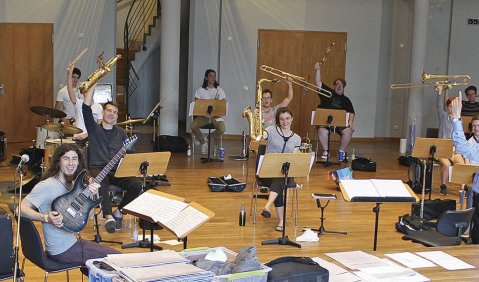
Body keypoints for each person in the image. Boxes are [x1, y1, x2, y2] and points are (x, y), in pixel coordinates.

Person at [20, 143, 120, 267]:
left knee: (99, 265)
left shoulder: (74, 185)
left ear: (79, 163)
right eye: (66, 158)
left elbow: (88, 217)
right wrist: (45, 217)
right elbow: (20, 209)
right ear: (58, 162)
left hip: (73, 243)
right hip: (62, 249)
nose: (71, 163)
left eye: (74, 159)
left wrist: (91, 195)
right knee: (118, 259)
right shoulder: (46, 185)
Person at [82, 82, 142, 233]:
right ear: (103, 112)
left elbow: (131, 154)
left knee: (136, 184)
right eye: (109, 111)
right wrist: (93, 84)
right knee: (100, 182)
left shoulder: (121, 133)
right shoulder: (94, 129)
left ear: (116, 116)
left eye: (114, 112)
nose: (111, 114)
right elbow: (85, 108)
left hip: (117, 171)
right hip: (98, 169)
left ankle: (119, 212)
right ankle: (108, 217)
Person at [260, 107, 301, 231]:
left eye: (287, 118)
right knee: (278, 182)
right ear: (278, 120)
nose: (285, 122)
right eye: (282, 119)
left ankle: (268, 206)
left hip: (286, 174)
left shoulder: (297, 138)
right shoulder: (271, 130)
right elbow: (262, 135)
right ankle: (281, 221)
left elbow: (293, 159)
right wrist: (259, 131)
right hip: (266, 173)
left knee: (280, 179)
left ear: (292, 119)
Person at [449, 96, 479, 243]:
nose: (476, 129)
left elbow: (461, 147)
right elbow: (462, 147)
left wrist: (456, 118)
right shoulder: (474, 143)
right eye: (474, 126)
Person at [314, 62, 355, 162]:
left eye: (341, 85)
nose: (339, 86)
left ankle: (341, 151)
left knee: (349, 131)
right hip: (325, 122)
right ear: (334, 86)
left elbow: (352, 112)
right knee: (321, 130)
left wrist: (350, 122)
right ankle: (326, 151)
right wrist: (318, 70)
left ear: (344, 87)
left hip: (339, 124)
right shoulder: (328, 93)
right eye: (337, 84)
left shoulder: (346, 100)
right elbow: (318, 83)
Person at [436, 84, 464, 196]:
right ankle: (443, 185)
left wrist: (458, 149)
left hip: (454, 149)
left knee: (462, 163)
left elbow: (459, 137)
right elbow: (438, 105)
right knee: (446, 164)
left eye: (453, 106)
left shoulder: (459, 121)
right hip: (442, 148)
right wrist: (440, 92)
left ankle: (463, 189)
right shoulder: (443, 116)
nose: (451, 108)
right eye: (449, 106)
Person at [191, 69, 226, 154]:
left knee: (222, 129)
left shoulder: (219, 90)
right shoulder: (200, 90)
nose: (213, 78)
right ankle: (203, 143)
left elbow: (223, 104)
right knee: (193, 125)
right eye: (210, 76)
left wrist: (217, 102)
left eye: (214, 76)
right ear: (206, 77)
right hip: (204, 117)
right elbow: (197, 104)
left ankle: (207, 138)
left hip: (215, 117)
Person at [66, 62, 103, 140]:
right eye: (85, 91)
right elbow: (70, 89)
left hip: (92, 138)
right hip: (78, 138)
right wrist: (70, 73)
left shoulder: (98, 106)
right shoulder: (78, 103)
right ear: (82, 93)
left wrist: (87, 134)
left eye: (90, 90)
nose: (88, 93)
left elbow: (99, 125)